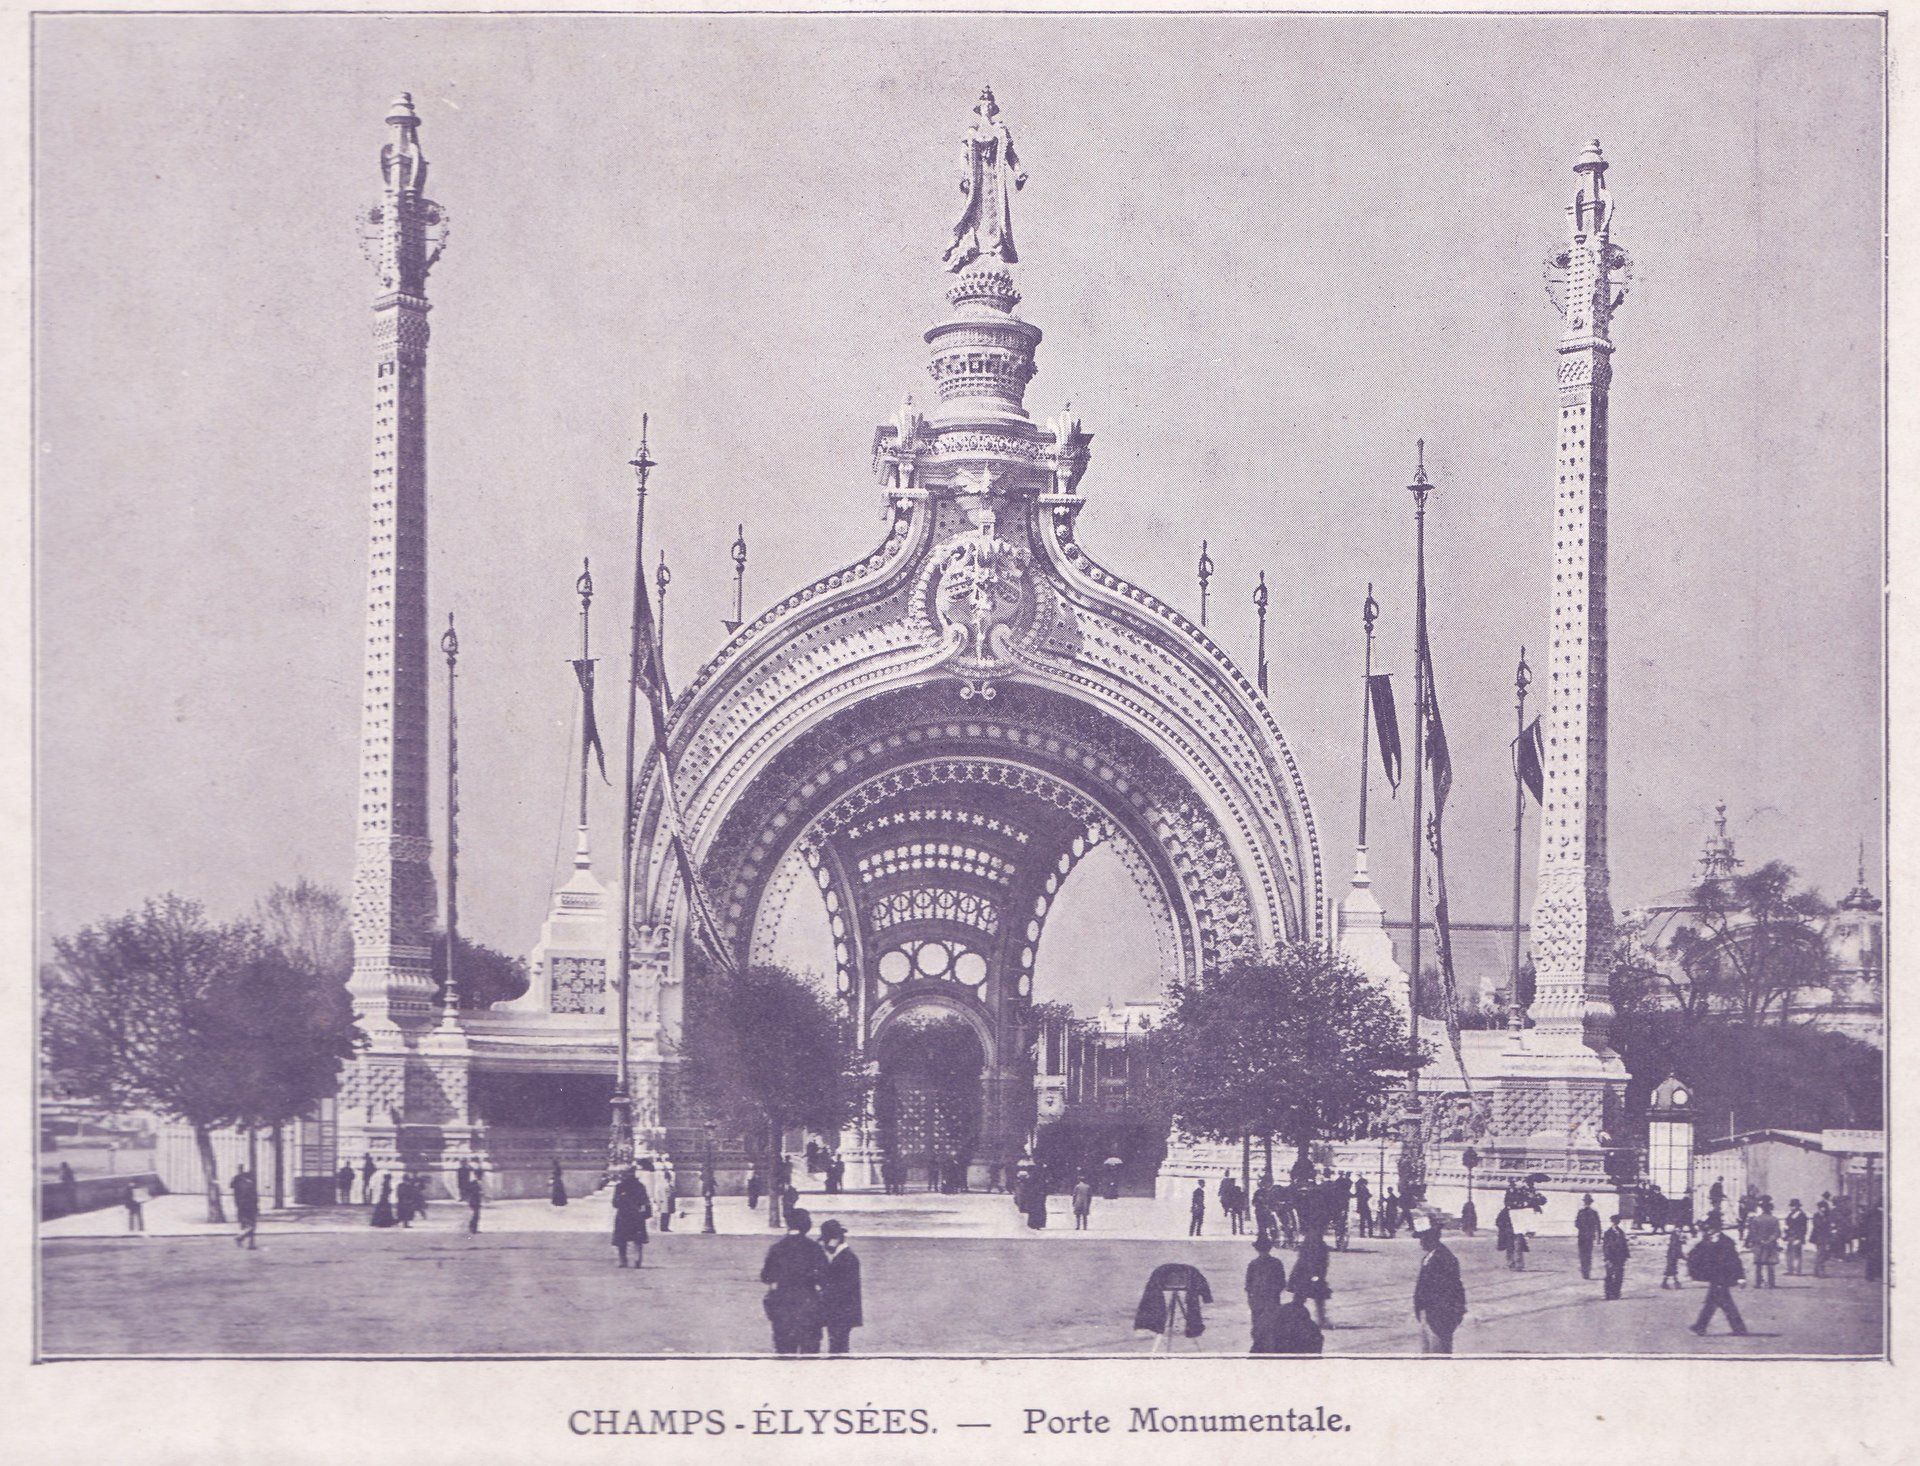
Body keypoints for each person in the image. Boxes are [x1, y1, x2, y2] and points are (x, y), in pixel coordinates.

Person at [761, 1207, 827, 1355]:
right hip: (808, 1305)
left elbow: (765, 1276)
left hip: (782, 1306)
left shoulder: (777, 1248)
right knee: (810, 1352)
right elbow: (824, 1276)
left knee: (784, 1350)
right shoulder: (814, 1248)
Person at [1412, 1219, 1466, 1354]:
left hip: (1439, 1317)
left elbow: (1452, 1290)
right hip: (1428, 1314)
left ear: (1432, 1238)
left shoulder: (1445, 1258)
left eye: (1423, 1238)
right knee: (1428, 1353)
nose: (1421, 1242)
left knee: (1438, 1356)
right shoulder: (1428, 1257)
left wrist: (1448, 1318)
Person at [1688, 1221, 1749, 1336]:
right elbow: (1697, 1253)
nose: (1708, 1231)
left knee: (1718, 1303)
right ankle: (1738, 1328)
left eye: (1710, 1228)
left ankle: (1701, 1326)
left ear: (1716, 1229)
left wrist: (1740, 1277)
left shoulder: (1726, 1241)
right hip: (1714, 1276)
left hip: (1723, 1276)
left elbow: (1734, 1260)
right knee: (1718, 1302)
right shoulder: (1707, 1240)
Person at [818, 1219, 863, 1355]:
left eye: (827, 1240)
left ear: (836, 1239)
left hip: (840, 1312)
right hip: (842, 1312)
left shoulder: (846, 1258)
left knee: (838, 1347)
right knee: (839, 1345)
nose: (825, 1244)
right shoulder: (843, 1256)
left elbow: (842, 1288)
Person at [1245, 1236, 1291, 1353]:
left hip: (1258, 1300)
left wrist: (1250, 1298)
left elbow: (1248, 1284)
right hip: (1271, 1299)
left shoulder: (1253, 1264)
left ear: (1257, 1249)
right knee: (1271, 1324)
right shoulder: (1276, 1263)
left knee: (1258, 1325)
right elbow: (1282, 1282)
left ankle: (1259, 1346)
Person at [1291, 1224, 1332, 1327]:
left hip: (1307, 1274)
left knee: (1308, 1297)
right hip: (1308, 1275)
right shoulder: (1315, 1242)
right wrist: (1314, 1275)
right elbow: (1310, 1260)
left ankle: (1320, 1319)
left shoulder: (1314, 1241)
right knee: (1312, 1297)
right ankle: (1319, 1319)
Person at [612, 1166, 653, 1268]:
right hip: (636, 1215)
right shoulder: (639, 1186)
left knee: (622, 1239)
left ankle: (624, 1260)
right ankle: (636, 1259)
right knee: (637, 1239)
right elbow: (645, 1201)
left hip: (624, 1215)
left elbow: (615, 1203)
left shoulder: (620, 1187)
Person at [1747, 1197, 1782, 1288]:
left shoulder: (1756, 1219)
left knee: (1759, 1264)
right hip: (1771, 1244)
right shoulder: (1774, 1219)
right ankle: (1771, 1283)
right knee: (1770, 1265)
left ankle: (1758, 1283)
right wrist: (1770, 1240)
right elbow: (1777, 1233)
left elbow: (1753, 1233)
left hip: (1759, 1245)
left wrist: (1760, 1240)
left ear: (1762, 1208)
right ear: (1770, 1208)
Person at [1602, 1214, 1631, 1300]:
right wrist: (1607, 1258)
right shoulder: (1608, 1233)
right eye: (1615, 1221)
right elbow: (1605, 1246)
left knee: (1619, 1276)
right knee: (1609, 1276)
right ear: (1612, 1222)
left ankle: (1616, 1293)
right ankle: (1608, 1294)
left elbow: (1624, 1245)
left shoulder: (1621, 1232)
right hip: (1611, 1257)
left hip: (1620, 1258)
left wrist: (1626, 1255)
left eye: (1617, 1221)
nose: (1616, 1223)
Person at [231, 1166, 259, 1250]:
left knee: (244, 1225)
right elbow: (254, 1197)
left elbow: (233, 1189)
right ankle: (242, 1238)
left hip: (240, 1206)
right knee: (252, 1225)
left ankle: (249, 1243)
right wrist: (257, 1207)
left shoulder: (236, 1181)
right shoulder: (250, 1185)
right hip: (250, 1207)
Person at [1574, 1194, 1602, 1280]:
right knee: (1584, 1254)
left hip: (1587, 1236)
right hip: (1584, 1236)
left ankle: (1586, 1272)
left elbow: (1598, 1225)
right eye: (1586, 1202)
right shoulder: (1582, 1212)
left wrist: (1598, 1238)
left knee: (1587, 1254)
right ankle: (1585, 1272)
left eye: (1587, 1202)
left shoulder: (1593, 1212)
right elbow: (1576, 1223)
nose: (1586, 1203)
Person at [1783, 1199, 1809, 1276]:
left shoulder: (1802, 1215)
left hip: (1797, 1236)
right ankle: (1790, 1269)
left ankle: (1798, 1270)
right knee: (1789, 1253)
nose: (1791, 1207)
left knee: (1797, 1254)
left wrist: (1800, 1238)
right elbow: (1787, 1223)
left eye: (1793, 1206)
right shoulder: (1790, 1214)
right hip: (1790, 1236)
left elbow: (1803, 1228)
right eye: (1791, 1206)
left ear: (1797, 1206)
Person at [1810, 1200, 1834, 1278]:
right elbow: (1818, 1225)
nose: (1824, 1209)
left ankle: (1816, 1271)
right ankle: (1820, 1272)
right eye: (1822, 1207)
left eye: (1825, 1207)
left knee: (1823, 1254)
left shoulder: (1827, 1215)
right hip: (1819, 1237)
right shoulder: (1817, 1215)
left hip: (1825, 1237)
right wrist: (1827, 1223)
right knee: (1821, 1254)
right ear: (1819, 1208)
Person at [1662, 1225, 1689, 1289]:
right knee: (1671, 1269)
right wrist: (1682, 1256)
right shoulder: (1675, 1237)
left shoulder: (1675, 1237)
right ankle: (1674, 1283)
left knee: (1670, 1269)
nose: (1680, 1232)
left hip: (1672, 1255)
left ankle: (1666, 1283)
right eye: (1679, 1230)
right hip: (1672, 1255)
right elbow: (1675, 1248)